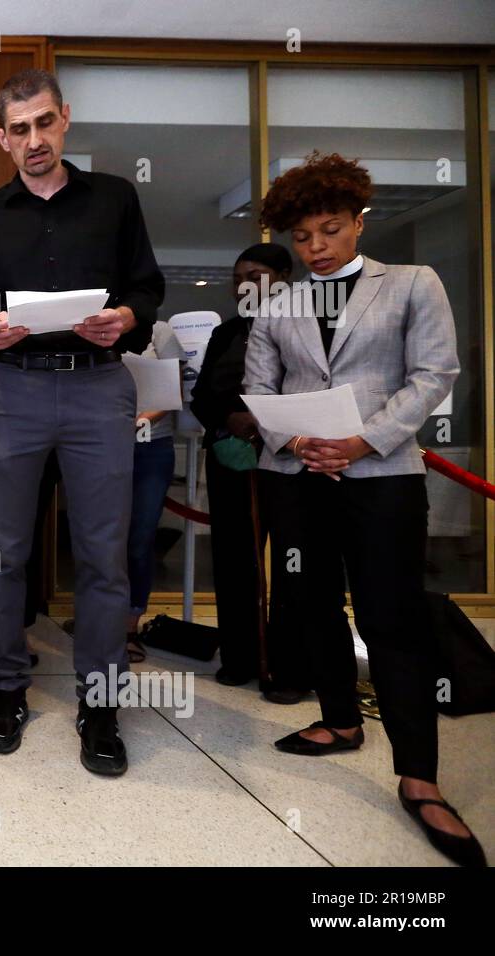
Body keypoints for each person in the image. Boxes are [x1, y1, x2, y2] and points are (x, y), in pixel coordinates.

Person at [244, 151, 483, 867]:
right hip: (296, 473)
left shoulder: (411, 283)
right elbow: (263, 382)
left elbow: (434, 372)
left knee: (390, 617)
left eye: (331, 230)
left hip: (382, 475)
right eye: (303, 237)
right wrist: (302, 441)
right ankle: (342, 721)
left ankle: (420, 777)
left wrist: (360, 441)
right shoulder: (275, 303)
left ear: (358, 221)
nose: (316, 248)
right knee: (310, 601)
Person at [0, 69, 164, 772]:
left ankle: (99, 705)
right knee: (2, 551)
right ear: (1, 138)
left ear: (65, 119)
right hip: (14, 390)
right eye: (19, 129)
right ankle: (6, 688)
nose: (34, 140)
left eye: (44, 123)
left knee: (102, 555)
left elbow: (145, 287)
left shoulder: (115, 200)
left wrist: (126, 318)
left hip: (100, 387)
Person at [191, 242, 317, 702]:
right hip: (231, 456)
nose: (245, 283)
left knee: (292, 563)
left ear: (284, 276)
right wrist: (229, 417)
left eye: (257, 274)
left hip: (289, 459)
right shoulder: (226, 333)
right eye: (239, 276)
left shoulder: (308, 324)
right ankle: (241, 657)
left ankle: (287, 667)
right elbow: (202, 395)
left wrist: (270, 423)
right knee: (233, 559)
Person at [124, 321, 186, 661]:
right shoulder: (87, 327)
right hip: (98, 446)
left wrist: (139, 422)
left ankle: (130, 625)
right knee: (101, 537)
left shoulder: (158, 331)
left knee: (141, 536)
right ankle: (101, 621)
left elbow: (172, 391)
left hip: (150, 445)